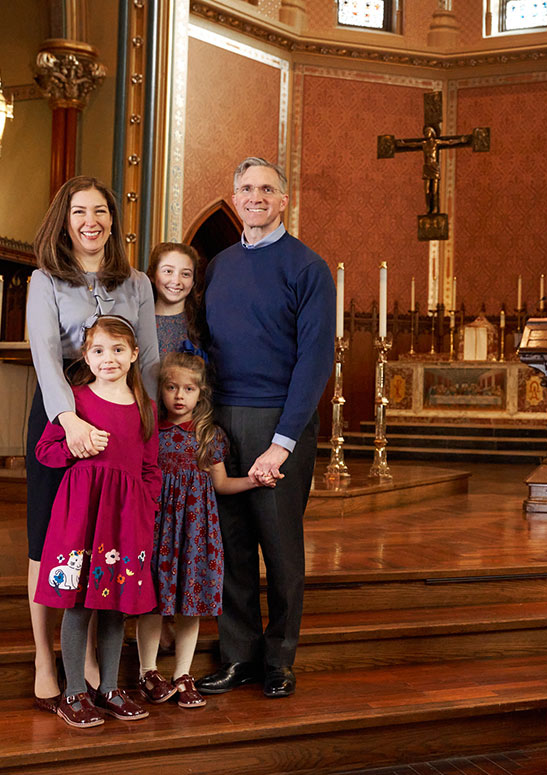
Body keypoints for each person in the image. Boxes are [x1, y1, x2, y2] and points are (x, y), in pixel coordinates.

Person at [196, 157, 336, 699]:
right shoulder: (221, 266)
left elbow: (314, 362)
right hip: (222, 420)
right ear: (235, 198)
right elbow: (208, 346)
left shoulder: (308, 268)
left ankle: (279, 659)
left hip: (281, 421)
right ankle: (238, 657)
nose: (255, 197)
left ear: (283, 200)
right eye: (246, 188)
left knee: (279, 549)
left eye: (266, 189)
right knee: (230, 547)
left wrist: (282, 445)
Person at [25, 176, 158, 714]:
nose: (91, 221)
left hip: (123, 413)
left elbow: (147, 359)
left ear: (112, 219)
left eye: (100, 211)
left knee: (103, 534)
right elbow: (46, 357)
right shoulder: (44, 280)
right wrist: (70, 420)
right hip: (63, 412)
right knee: (51, 535)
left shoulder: (139, 283)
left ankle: (88, 668)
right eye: (80, 212)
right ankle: (42, 655)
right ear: (65, 219)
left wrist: (150, 425)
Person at [33, 316, 160, 728]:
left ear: (134, 354)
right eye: (99, 350)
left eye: (118, 350)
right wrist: (76, 444)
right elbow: (45, 451)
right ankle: (74, 692)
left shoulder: (145, 407)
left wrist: (145, 510)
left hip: (125, 524)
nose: (109, 358)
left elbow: (150, 469)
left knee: (115, 608)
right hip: (81, 517)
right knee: (77, 604)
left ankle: (108, 687)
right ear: (87, 356)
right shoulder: (75, 402)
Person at [135, 352, 271, 710]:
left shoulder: (209, 435)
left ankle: (183, 674)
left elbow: (222, 485)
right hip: (158, 528)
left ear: (201, 393)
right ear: (161, 390)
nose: (180, 395)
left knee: (190, 605)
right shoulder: (150, 430)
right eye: (172, 387)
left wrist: (254, 481)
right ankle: (147, 671)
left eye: (189, 389)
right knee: (151, 602)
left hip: (195, 532)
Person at [146, 242, 205, 358]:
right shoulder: (138, 320)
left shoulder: (202, 325)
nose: (176, 281)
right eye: (168, 271)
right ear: (152, 275)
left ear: (193, 281)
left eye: (185, 274)